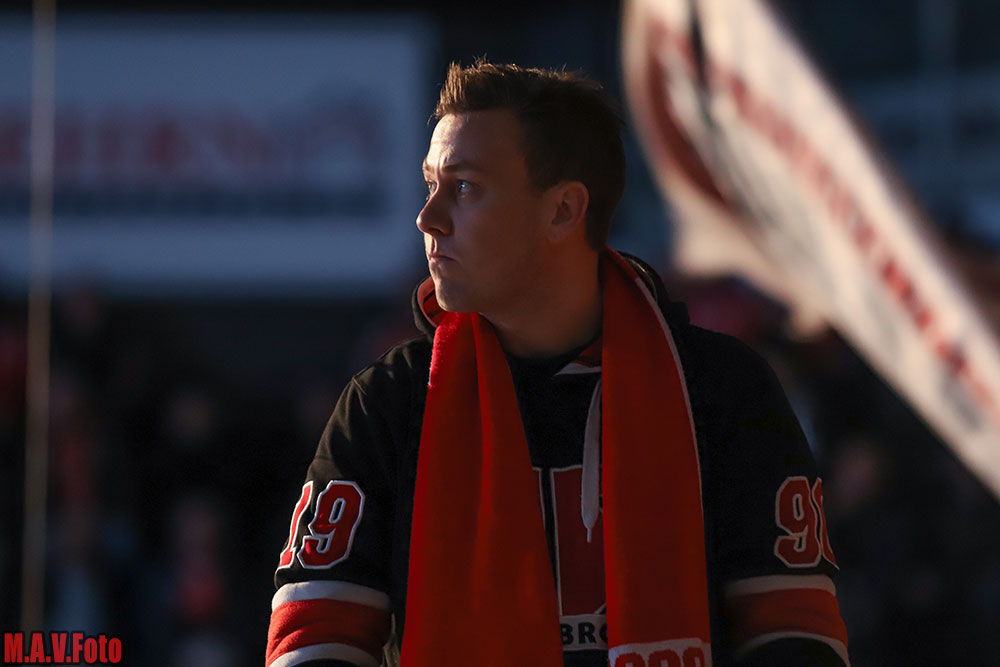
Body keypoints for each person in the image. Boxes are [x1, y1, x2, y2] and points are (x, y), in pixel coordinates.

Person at [265, 60, 850, 667]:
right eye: (430, 185)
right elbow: (314, 636)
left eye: (463, 187)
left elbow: (795, 632)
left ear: (564, 210)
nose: (427, 218)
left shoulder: (722, 390)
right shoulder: (389, 402)